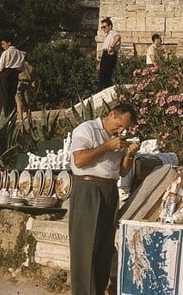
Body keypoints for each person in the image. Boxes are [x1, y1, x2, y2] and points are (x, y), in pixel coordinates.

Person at [68, 103, 139, 294]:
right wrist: (107, 146)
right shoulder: (87, 129)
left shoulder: (117, 138)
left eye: (126, 127)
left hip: (109, 190)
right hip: (88, 189)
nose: (121, 129)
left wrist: (129, 155)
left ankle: (98, 290)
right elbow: (80, 160)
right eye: (120, 125)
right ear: (112, 114)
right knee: (85, 246)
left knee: (103, 247)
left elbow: (122, 171)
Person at [0, 38, 25, 117]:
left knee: (3, 95)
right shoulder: (21, 53)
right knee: (12, 95)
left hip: (5, 73)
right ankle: (12, 114)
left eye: (3, 44)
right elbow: (22, 67)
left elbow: (1, 66)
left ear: (9, 43)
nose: (2, 46)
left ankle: (4, 114)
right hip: (15, 74)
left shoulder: (6, 52)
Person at [97, 17, 121, 90]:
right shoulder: (108, 35)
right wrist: (100, 63)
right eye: (102, 27)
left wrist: (111, 46)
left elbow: (118, 37)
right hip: (105, 54)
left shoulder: (113, 32)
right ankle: (103, 89)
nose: (103, 29)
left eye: (104, 27)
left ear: (110, 26)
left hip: (109, 53)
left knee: (106, 74)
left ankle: (105, 89)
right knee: (102, 74)